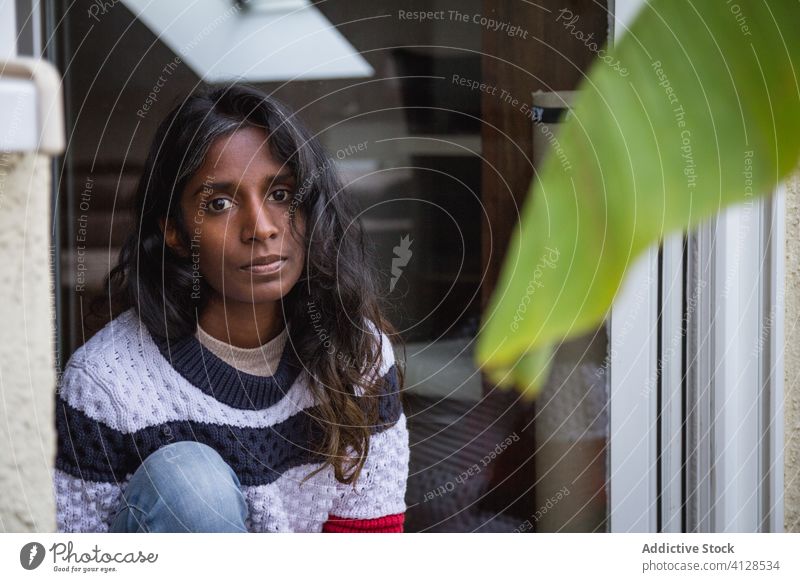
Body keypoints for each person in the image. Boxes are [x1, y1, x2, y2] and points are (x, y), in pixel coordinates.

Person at [54, 85, 409, 533]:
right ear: (176, 233)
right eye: (219, 204)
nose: (261, 228)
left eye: (282, 195)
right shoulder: (108, 383)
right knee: (190, 483)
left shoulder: (357, 351)